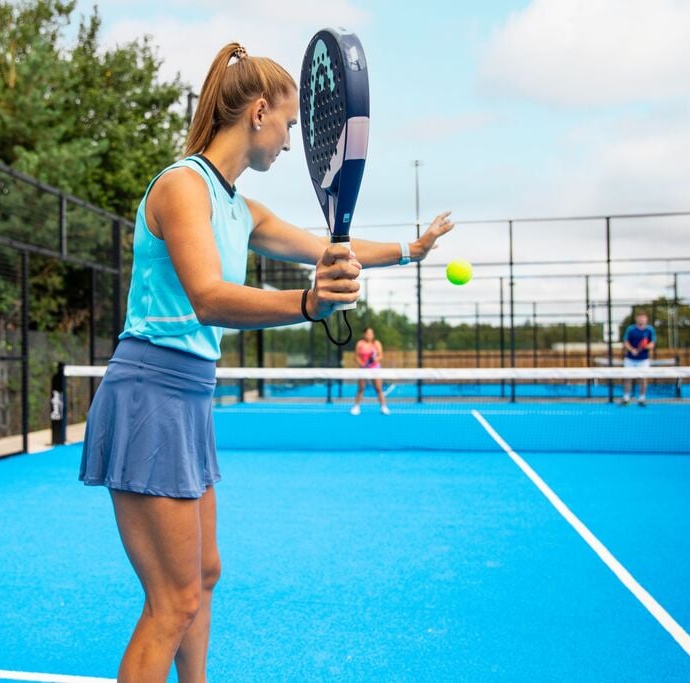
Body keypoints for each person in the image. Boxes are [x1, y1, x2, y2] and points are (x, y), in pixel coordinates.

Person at [78, 43, 454, 682]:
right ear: (258, 113)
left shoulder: (240, 207)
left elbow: (327, 245)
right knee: (171, 602)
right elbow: (209, 297)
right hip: (150, 394)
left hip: (190, 399)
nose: (289, 141)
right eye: (287, 124)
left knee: (203, 574)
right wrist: (309, 302)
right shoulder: (180, 186)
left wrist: (408, 250)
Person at [350, 327, 389, 415]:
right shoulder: (360, 343)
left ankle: (384, 407)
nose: (369, 335)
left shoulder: (376, 343)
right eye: (368, 333)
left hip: (375, 369)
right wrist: (363, 364)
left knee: (378, 388)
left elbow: (380, 355)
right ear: (364, 334)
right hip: (363, 369)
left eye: (371, 333)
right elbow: (356, 356)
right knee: (361, 388)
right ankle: (356, 407)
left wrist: (374, 361)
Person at [621, 310, 656, 406]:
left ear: (646, 319)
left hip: (643, 360)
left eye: (643, 318)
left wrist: (646, 346)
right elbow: (625, 341)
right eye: (639, 317)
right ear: (636, 319)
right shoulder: (630, 329)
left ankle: (642, 398)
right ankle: (626, 397)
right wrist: (632, 350)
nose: (641, 319)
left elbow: (652, 344)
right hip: (630, 359)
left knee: (643, 378)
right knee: (628, 378)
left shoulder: (650, 330)